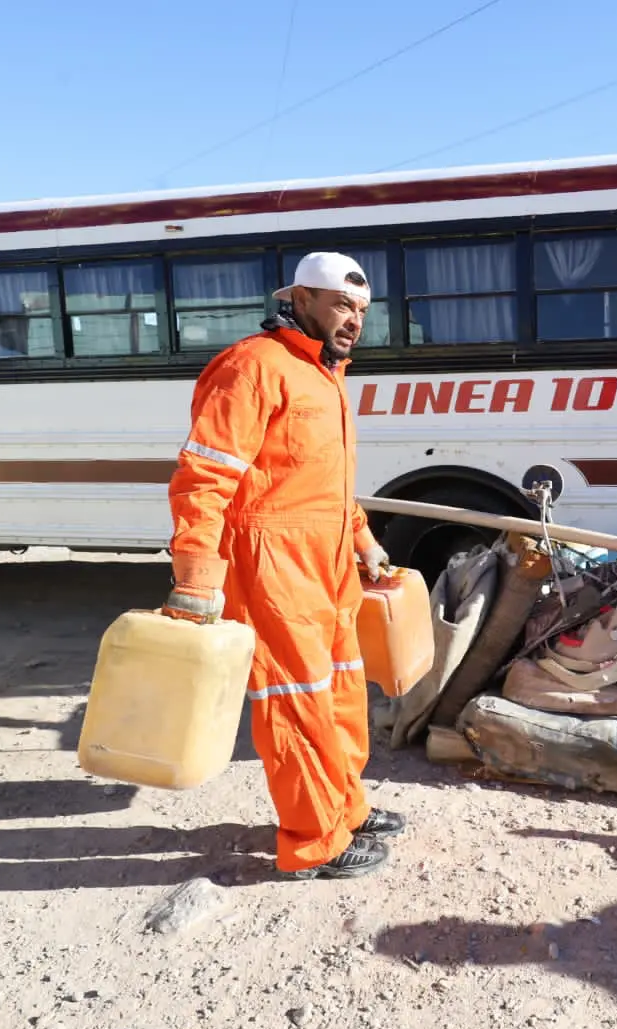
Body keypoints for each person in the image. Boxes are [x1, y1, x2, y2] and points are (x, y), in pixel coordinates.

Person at [164, 251, 403, 879]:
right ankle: (314, 840)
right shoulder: (252, 367)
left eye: (361, 310)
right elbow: (204, 476)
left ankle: (346, 808)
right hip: (272, 563)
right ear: (300, 300)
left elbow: (327, 480)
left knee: (341, 690)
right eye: (342, 305)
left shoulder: (325, 374)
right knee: (295, 699)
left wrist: (363, 539)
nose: (354, 320)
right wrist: (197, 576)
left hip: (328, 561)